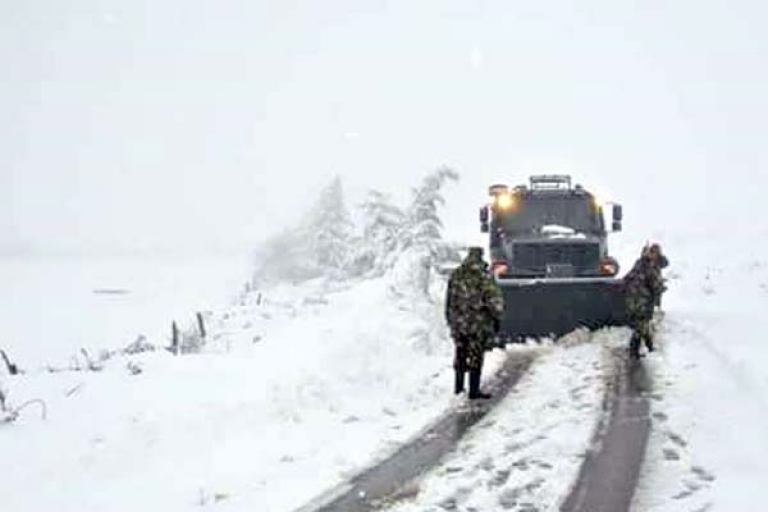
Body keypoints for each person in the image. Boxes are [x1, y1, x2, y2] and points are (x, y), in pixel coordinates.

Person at [445, 247, 505, 399]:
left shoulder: (456, 275)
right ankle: (473, 390)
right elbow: (492, 298)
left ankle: (458, 388)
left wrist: (451, 320)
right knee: (475, 356)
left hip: (459, 323)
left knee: (460, 353)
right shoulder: (483, 275)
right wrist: (497, 315)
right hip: (477, 324)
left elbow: (449, 300)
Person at [625, 243, 667, 358]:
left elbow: (627, 278)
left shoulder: (639, 264)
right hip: (642, 300)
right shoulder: (648, 266)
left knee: (642, 324)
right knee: (641, 325)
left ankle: (649, 347)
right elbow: (654, 283)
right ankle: (634, 351)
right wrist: (660, 288)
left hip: (633, 300)